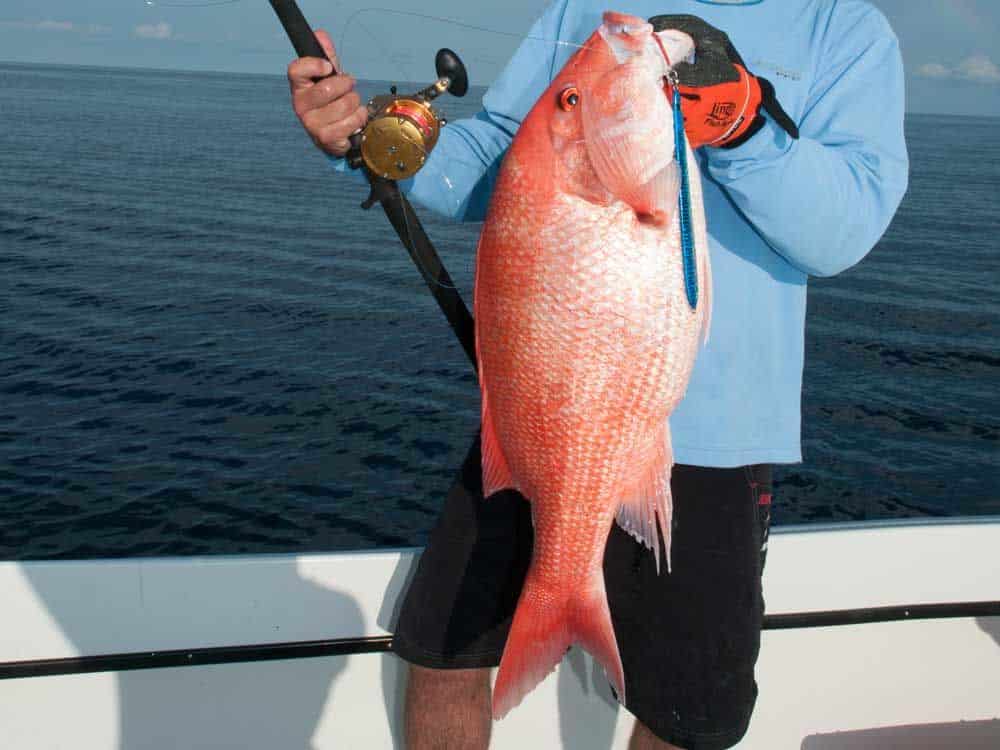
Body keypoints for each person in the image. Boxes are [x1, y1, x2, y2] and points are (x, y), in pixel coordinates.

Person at [287, 1, 908, 748]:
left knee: (684, 717)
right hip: (543, 408)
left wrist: (744, 125)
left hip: (714, 442)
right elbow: (498, 157)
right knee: (441, 654)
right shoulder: (590, 9)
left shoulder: (844, 30)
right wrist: (368, 137)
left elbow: (842, 232)